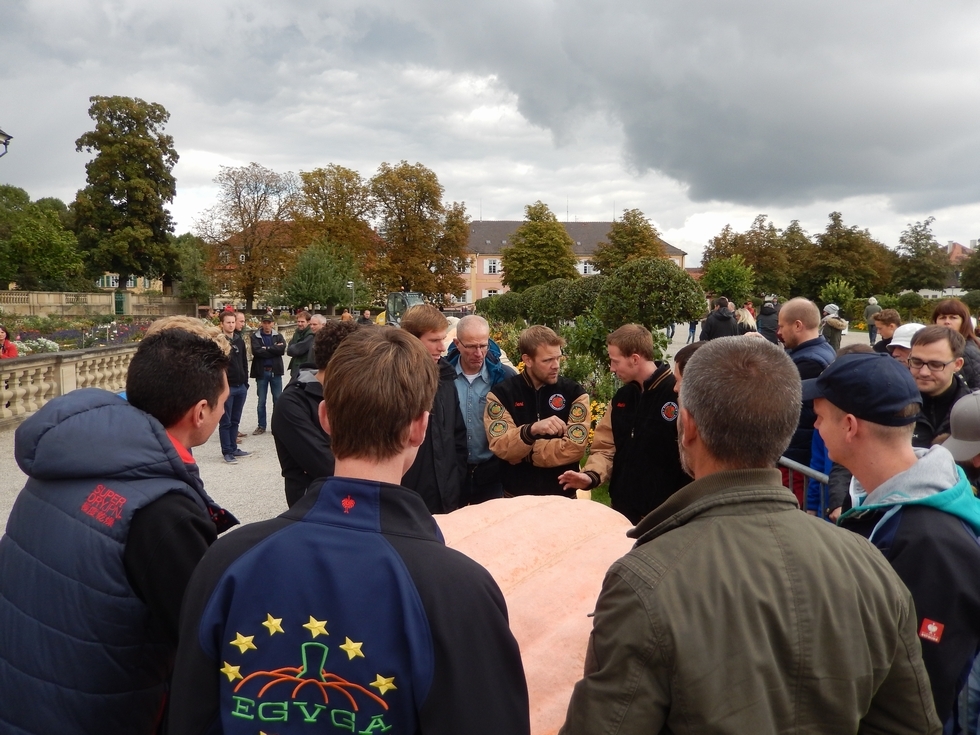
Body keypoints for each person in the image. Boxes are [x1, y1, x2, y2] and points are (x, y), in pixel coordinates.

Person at [559, 338, 941, 735]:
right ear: (785, 429)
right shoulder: (868, 563)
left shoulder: (644, 580)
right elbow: (910, 723)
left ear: (688, 426)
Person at [168, 328, 531, 735]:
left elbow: (187, 715)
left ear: (325, 418)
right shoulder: (459, 589)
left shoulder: (226, 560)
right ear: (420, 427)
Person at [0, 324, 239, 735]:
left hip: (23, 694)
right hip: (101, 711)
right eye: (223, 403)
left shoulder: (66, 458)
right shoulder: (164, 512)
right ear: (200, 412)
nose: (223, 414)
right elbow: (206, 640)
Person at [808, 352, 980, 730]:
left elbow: (922, 694)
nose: (815, 426)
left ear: (850, 426)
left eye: (819, 416)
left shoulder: (929, 543)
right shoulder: (882, 504)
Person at [558, 325, 689, 524]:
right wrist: (591, 475)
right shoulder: (622, 398)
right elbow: (605, 446)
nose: (611, 368)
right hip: (621, 512)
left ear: (635, 359)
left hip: (664, 518)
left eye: (615, 361)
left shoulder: (677, 395)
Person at [486, 325, 590, 498]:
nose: (556, 366)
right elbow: (501, 445)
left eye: (558, 358)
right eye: (547, 360)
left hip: (563, 499)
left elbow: (575, 448)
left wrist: (525, 454)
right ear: (527, 360)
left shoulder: (575, 393)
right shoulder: (501, 394)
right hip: (515, 499)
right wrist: (531, 430)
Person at [272, 321, 359, 507]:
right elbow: (326, 464)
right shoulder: (292, 403)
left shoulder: (351, 394)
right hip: (315, 506)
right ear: (344, 362)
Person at [400, 305, 467, 513]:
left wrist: (457, 483)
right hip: (407, 500)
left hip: (447, 496)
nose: (442, 348)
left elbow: (457, 436)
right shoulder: (392, 383)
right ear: (411, 339)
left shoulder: (446, 378)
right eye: (434, 340)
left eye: (443, 339)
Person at [445, 314, 516, 505]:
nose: (478, 353)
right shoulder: (441, 378)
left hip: (492, 473)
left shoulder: (505, 378)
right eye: (471, 346)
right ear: (457, 344)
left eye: (483, 345)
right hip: (452, 472)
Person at [777, 297, 836, 505]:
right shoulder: (822, 350)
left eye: (782, 326)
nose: (779, 332)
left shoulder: (808, 362)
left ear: (797, 325)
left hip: (798, 454)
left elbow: (781, 401)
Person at [908, 325, 971, 448]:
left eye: (935, 364)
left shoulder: (974, 411)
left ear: (957, 364)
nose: (924, 372)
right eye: (917, 362)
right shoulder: (891, 405)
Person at [219, 310, 250, 464]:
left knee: (235, 420)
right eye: (228, 322)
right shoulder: (219, 343)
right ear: (222, 324)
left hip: (240, 386)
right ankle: (227, 451)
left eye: (233, 322)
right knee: (226, 421)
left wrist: (246, 382)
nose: (231, 325)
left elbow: (244, 362)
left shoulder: (239, 340)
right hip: (228, 387)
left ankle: (234, 447)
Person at [249, 315, 286, 436]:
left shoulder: (278, 336)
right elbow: (256, 352)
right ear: (261, 323)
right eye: (265, 322)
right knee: (261, 401)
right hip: (262, 371)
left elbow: (282, 350)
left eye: (269, 323)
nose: (267, 325)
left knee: (277, 400)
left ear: (272, 323)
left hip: (275, 371)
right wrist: (273, 350)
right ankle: (261, 426)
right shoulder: (255, 336)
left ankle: (277, 425)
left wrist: (266, 348)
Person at [932, 298, 980, 389]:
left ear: (963, 322)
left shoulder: (965, 351)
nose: (947, 322)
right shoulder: (943, 346)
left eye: (953, 317)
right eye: (942, 317)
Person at [285, 311, 312, 376]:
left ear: (308, 322)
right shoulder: (297, 332)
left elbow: (298, 350)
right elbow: (289, 351)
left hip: (303, 369)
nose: (300, 324)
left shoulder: (310, 334)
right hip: (295, 367)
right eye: (298, 321)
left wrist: (293, 348)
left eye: (302, 322)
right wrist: (293, 348)